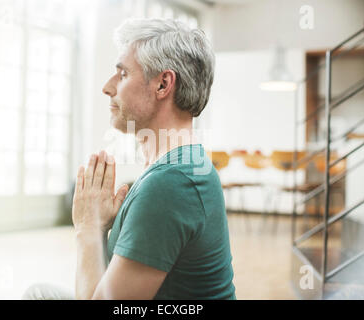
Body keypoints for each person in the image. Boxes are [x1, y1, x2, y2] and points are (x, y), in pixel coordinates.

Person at [23, 18, 236, 300]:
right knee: (39, 293)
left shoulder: (170, 184)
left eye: (122, 74)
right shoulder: (180, 165)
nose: (107, 87)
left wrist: (88, 228)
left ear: (163, 84)